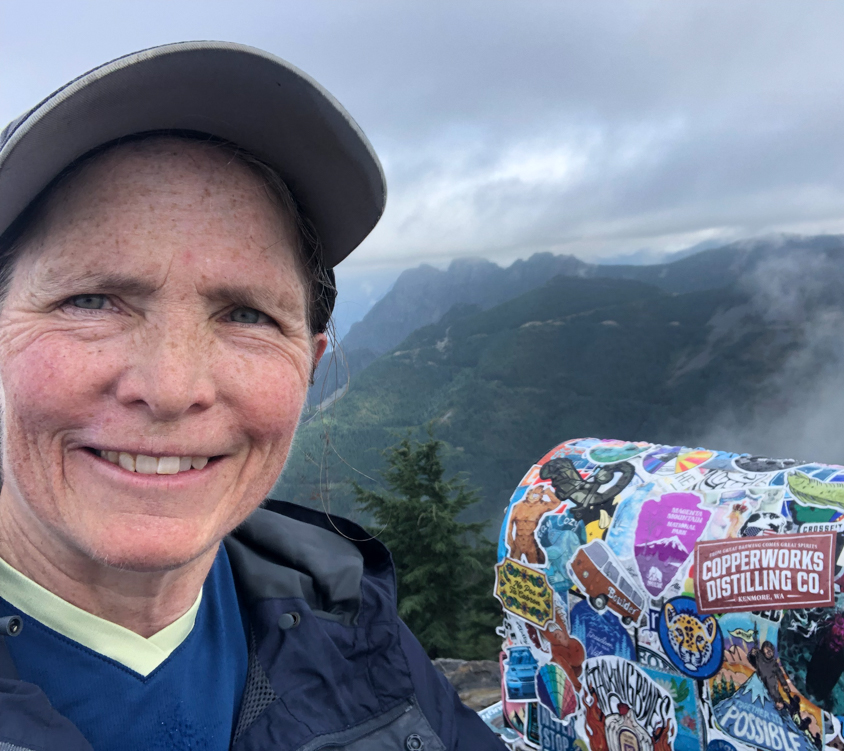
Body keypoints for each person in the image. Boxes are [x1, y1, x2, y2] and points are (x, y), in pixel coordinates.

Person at [0, 41, 505, 750]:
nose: (172, 389)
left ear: (308, 363)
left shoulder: (350, 621)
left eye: (246, 315)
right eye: (92, 299)